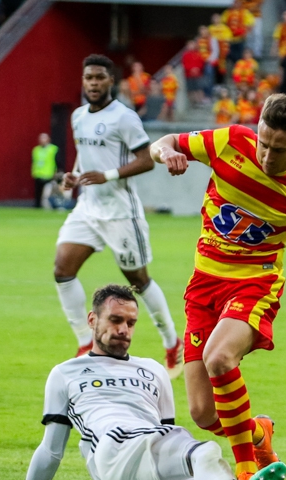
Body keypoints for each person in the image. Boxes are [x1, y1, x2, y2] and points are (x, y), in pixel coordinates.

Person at [149, 94, 286, 480]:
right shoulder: (230, 141)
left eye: (279, 149)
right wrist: (166, 153)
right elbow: (163, 142)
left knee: (219, 357)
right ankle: (257, 433)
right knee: (203, 413)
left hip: (255, 284)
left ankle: (246, 472)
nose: (267, 155)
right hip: (204, 284)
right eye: (264, 143)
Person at [0, 284, 286, 480]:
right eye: (115, 320)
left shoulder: (153, 370)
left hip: (142, 466)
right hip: (114, 446)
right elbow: (51, 450)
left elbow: (166, 432)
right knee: (204, 451)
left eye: (130, 323)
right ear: (92, 320)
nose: (124, 330)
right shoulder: (66, 372)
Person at [57, 54, 183, 379]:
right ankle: (85, 342)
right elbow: (85, 157)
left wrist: (108, 175)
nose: (94, 83)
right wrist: (74, 177)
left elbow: (146, 159)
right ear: (83, 81)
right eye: (89, 78)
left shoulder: (124, 117)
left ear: (111, 81)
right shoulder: (77, 116)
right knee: (62, 270)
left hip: (121, 213)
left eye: (100, 78)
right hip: (88, 208)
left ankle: (172, 342)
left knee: (138, 281)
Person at [31, 133, 59, 208]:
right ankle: (37, 207)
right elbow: (34, 162)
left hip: (49, 175)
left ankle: (50, 206)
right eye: (41, 138)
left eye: (44, 138)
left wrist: (56, 173)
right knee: (38, 194)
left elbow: (58, 162)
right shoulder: (36, 150)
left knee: (46, 194)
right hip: (38, 174)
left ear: (48, 139)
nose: (42, 140)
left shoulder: (53, 149)